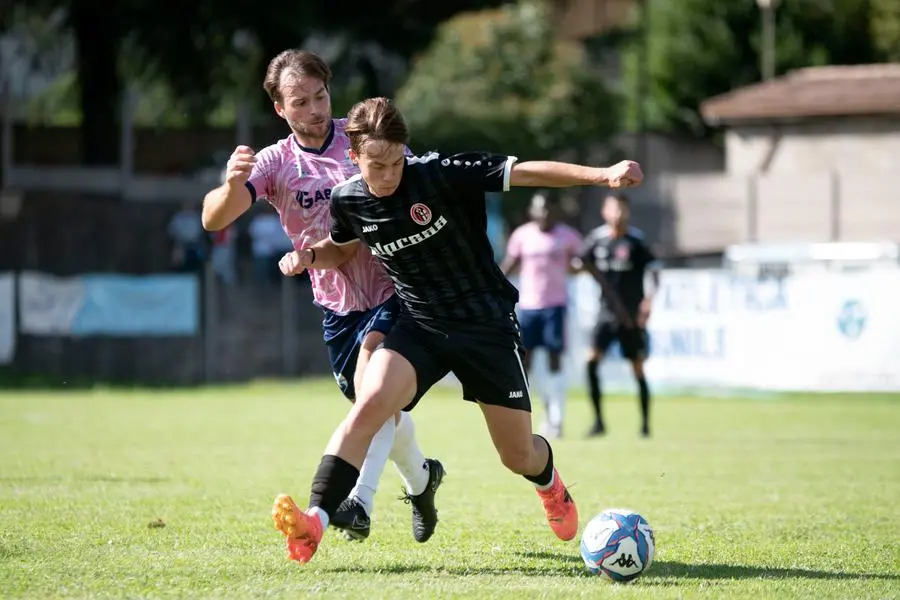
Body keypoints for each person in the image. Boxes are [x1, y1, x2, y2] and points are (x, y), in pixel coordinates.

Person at [271, 96, 643, 563]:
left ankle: (550, 485)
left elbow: (525, 171)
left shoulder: (442, 172)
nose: (387, 175)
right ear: (353, 156)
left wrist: (603, 174)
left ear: (405, 150)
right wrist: (308, 255)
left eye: (394, 162)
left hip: (484, 325)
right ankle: (315, 522)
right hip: (419, 324)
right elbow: (342, 248)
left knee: (517, 455)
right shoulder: (348, 199)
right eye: (375, 165)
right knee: (369, 404)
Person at [201, 50, 444, 544]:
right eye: (301, 102)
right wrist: (229, 186)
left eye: (320, 96)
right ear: (280, 109)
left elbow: (410, 172)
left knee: (373, 388)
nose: (315, 109)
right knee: (378, 412)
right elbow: (213, 218)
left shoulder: (359, 140)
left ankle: (356, 503)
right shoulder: (274, 163)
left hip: (397, 291)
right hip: (336, 305)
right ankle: (423, 480)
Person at [501, 192, 582, 439]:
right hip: (529, 307)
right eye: (539, 209)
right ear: (532, 212)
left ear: (555, 211)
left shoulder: (568, 236)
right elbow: (509, 265)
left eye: (548, 209)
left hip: (555, 307)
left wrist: (577, 268)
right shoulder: (522, 235)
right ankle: (536, 414)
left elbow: (581, 262)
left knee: (555, 361)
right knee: (526, 365)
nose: (544, 214)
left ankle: (557, 419)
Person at [580, 193, 660, 438]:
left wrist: (647, 302)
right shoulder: (597, 239)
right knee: (591, 362)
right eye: (614, 209)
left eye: (623, 209)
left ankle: (645, 425)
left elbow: (655, 271)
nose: (618, 214)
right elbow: (581, 262)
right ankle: (598, 421)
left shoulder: (636, 241)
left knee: (637, 368)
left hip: (631, 315)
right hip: (606, 313)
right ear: (605, 211)